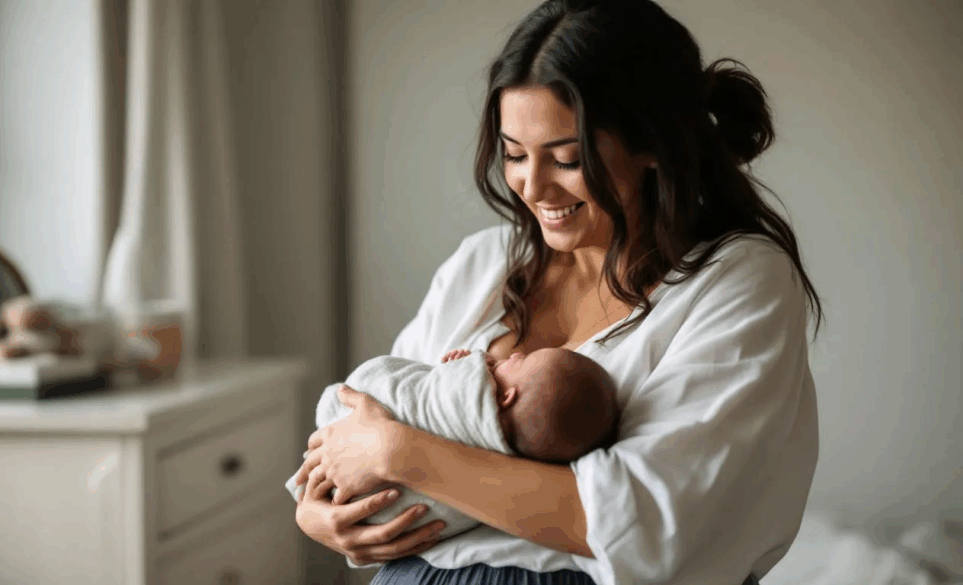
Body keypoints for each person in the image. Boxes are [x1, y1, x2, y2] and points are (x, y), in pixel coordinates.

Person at [293, 0, 822, 583]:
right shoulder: (484, 265)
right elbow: (368, 420)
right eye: (515, 154)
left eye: (568, 159)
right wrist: (317, 513)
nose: (533, 186)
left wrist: (400, 454)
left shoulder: (736, 278)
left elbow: (650, 521)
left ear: (653, 145)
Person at [286, 346, 620, 548]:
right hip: (378, 522)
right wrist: (312, 518)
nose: (515, 353)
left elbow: (445, 393)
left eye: (523, 360)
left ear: (506, 396)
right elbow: (426, 384)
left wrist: (391, 447)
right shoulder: (480, 260)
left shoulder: (477, 396)